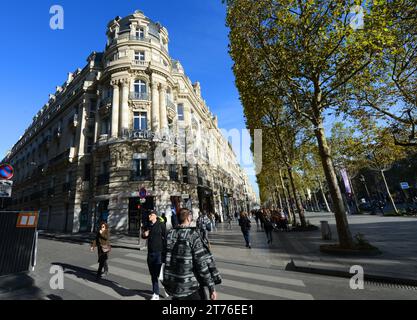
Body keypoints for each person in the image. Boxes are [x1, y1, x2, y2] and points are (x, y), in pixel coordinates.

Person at [162, 208, 221, 300]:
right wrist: (211, 287)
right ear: (188, 218)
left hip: (174, 285)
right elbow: (201, 264)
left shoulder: (170, 234)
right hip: (191, 286)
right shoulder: (192, 235)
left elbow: (165, 258)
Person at [142, 210, 167, 300]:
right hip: (150, 253)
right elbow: (144, 235)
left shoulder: (161, 225)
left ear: (155, 216)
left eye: (151, 215)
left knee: (159, 275)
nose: (149, 216)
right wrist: (144, 234)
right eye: (149, 215)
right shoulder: (148, 225)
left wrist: (166, 252)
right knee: (153, 275)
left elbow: (166, 238)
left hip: (159, 253)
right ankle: (155, 293)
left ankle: (166, 287)